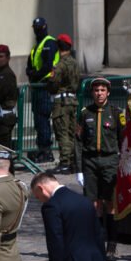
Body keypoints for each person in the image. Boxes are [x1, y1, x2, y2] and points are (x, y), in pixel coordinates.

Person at [75, 78, 124, 261]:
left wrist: (123, 163)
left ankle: (112, 245)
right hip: (90, 161)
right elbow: (78, 141)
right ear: (92, 93)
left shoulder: (116, 113)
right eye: (96, 90)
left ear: (108, 92)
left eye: (103, 90)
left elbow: (123, 140)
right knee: (93, 205)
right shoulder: (84, 113)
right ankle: (96, 243)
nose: (99, 93)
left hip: (110, 160)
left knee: (110, 204)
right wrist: (78, 168)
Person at [26, 17, 59, 163]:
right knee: (38, 120)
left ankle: (46, 151)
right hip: (38, 87)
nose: (37, 30)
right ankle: (41, 149)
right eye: (35, 28)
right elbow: (30, 65)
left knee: (43, 119)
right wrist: (30, 73)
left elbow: (48, 65)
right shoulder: (36, 46)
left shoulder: (49, 42)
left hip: (45, 86)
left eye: (39, 27)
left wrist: (35, 75)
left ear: (45, 27)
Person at [47, 34, 80, 173]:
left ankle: (65, 162)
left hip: (61, 102)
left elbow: (53, 84)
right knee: (71, 132)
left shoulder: (60, 65)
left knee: (62, 132)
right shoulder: (74, 63)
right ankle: (73, 161)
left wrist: (50, 82)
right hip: (72, 100)